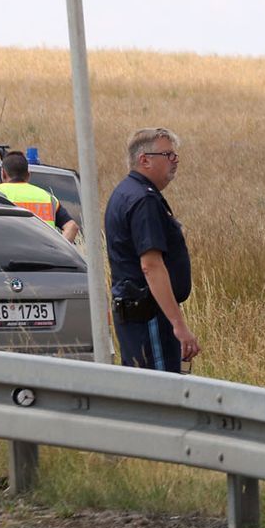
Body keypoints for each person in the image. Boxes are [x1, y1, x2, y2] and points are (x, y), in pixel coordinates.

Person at [102, 128, 198, 371]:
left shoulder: (127, 192)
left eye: (175, 155)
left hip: (137, 315)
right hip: (149, 316)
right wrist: (179, 325)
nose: (174, 161)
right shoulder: (144, 200)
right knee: (160, 391)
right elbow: (151, 265)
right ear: (144, 159)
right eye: (168, 155)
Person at [0, 151, 78, 242]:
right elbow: (72, 227)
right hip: (45, 254)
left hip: (14, 253)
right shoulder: (47, 197)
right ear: (28, 175)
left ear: (3, 173)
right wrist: (58, 248)